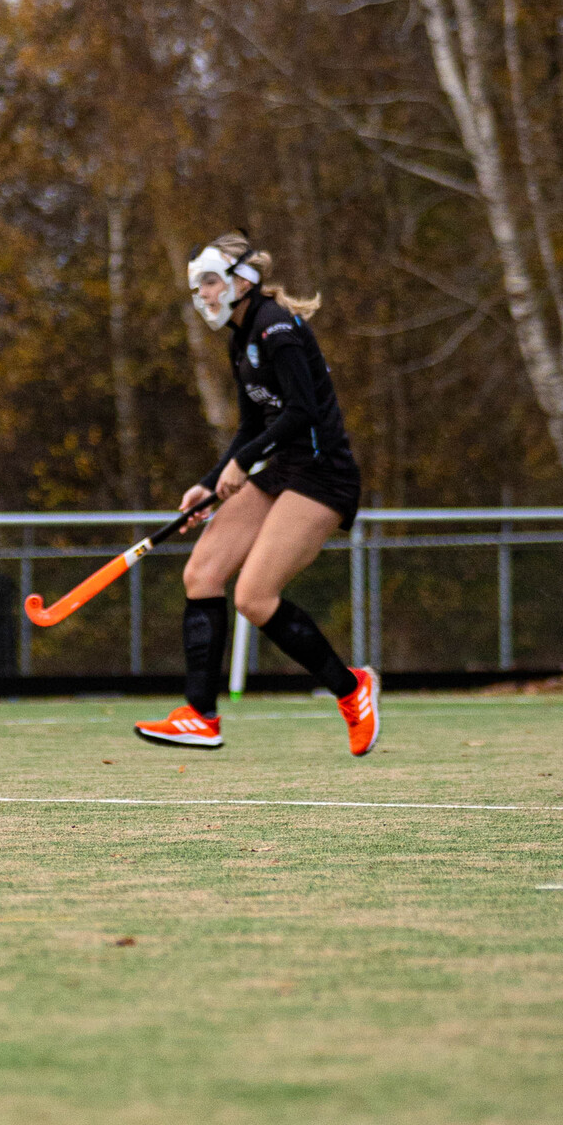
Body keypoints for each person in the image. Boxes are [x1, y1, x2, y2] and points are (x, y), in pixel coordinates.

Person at [134, 234, 379, 757]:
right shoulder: (239, 339)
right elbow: (252, 424)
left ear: (242, 281)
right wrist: (211, 480)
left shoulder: (277, 329)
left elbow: (301, 413)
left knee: (253, 597)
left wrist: (244, 464)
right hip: (283, 469)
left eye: (209, 281)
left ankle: (352, 690)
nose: (201, 294)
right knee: (201, 574)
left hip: (322, 476)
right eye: (197, 284)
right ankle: (200, 715)